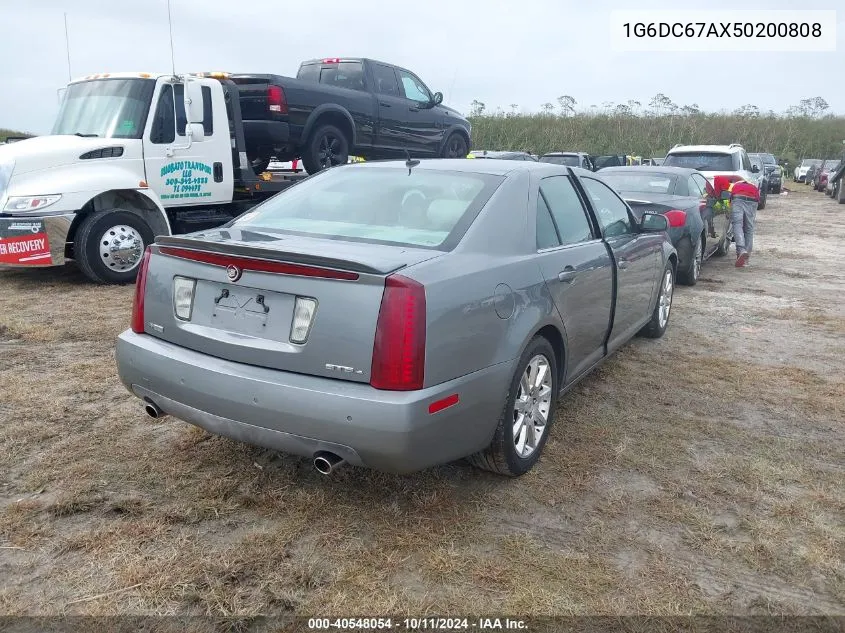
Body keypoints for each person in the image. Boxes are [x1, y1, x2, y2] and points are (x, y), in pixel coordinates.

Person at [720, 176, 759, 268]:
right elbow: (758, 198)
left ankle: (741, 250)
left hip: (738, 198)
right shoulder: (752, 184)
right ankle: (746, 257)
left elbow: (729, 199)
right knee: (749, 227)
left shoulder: (734, 185)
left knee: (737, 224)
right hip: (753, 198)